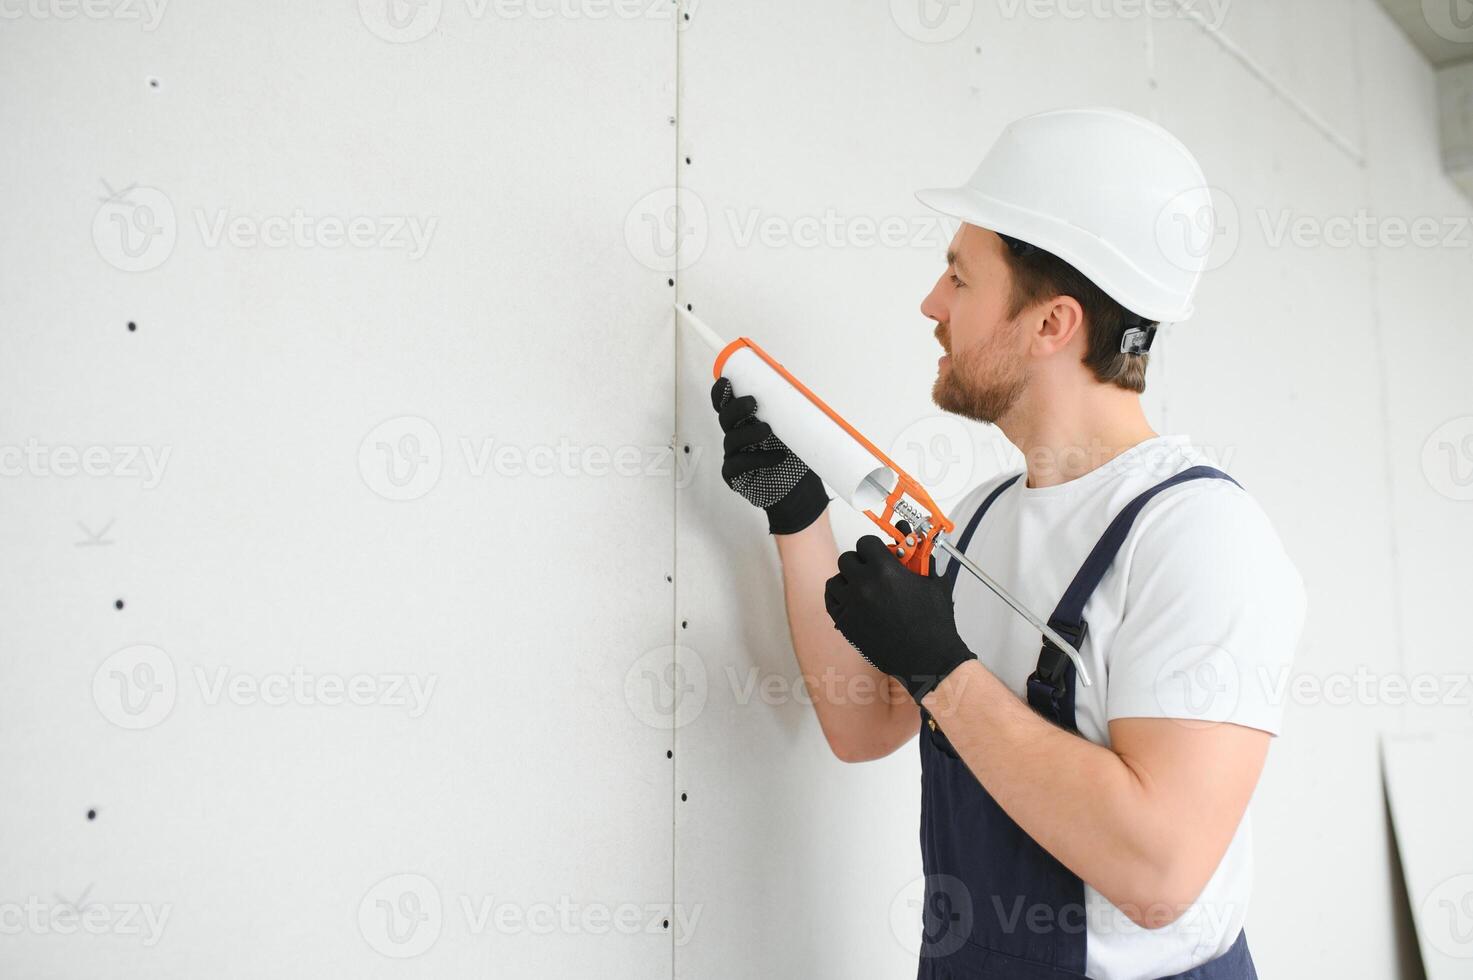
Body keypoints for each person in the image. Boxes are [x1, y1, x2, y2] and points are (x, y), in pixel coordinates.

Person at [709, 107, 1306, 980]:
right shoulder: (981, 515)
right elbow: (861, 724)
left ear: (1051, 324)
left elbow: (1159, 874)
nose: (930, 304)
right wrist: (796, 516)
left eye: (959, 277)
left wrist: (943, 671)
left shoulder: (1198, 538)